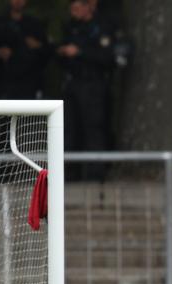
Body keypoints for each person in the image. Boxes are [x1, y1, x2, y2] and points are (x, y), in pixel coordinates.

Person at [58, 0, 115, 180]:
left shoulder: (102, 27)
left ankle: (95, 175)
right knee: (68, 129)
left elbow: (108, 58)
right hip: (72, 84)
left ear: (88, 6)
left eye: (77, 8)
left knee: (93, 129)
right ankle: (68, 175)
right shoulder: (70, 28)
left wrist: (80, 52)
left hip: (93, 86)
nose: (74, 12)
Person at [0, 0, 50, 99]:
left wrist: (37, 46)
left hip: (29, 85)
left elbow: (47, 52)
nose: (18, 1)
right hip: (1, 84)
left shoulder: (35, 25)